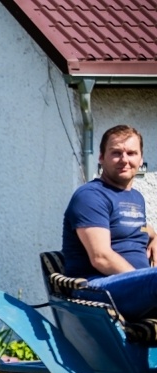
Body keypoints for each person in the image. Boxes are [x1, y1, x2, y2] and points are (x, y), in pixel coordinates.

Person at [62, 124, 157, 321]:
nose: (124, 160)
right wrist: (143, 280)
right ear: (101, 157)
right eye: (116, 153)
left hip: (137, 286)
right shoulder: (90, 196)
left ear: (141, 159)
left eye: (131, 153)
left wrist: (155, 236)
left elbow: (131, 226)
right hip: (97, 289)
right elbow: (101, 257)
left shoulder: (135, 198)